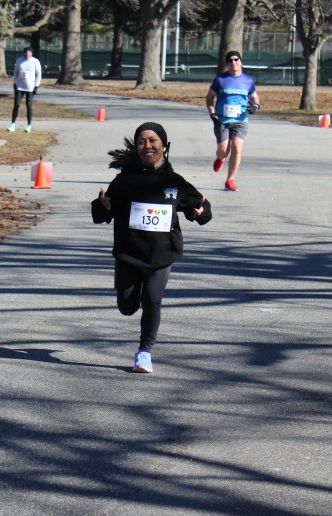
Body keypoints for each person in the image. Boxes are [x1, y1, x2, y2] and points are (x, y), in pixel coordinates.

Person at [90, 122, 213, 374]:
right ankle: (130, 302)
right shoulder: (124, 181)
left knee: (152, 300)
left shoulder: (174, 182)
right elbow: (103, 212)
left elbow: (199, 206)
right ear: (137, 148)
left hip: (161, 255)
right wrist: (102, 206)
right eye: (142, 141)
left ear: (164, 146)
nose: (147, 145)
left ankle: (144, 352)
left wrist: (201, 212)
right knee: (127, 306)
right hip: (129, 253)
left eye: (153, 140)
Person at [206, 50, 261, 191]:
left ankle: (230, 180)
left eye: (236, 59)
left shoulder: (247, 81)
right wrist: (212, 113)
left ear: (241, 61)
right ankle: (221, 158)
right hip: (222, 120)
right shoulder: (220, 80)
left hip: (240, 120)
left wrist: (255, 106)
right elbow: (210, 97)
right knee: (223, 150)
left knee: (237, 147)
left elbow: (255, 98)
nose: (233, 62)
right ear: (227, 63)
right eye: (230, 60)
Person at [9, 46, 42, 133]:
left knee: (29, 105)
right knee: (16, 105)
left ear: (32, 53)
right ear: (24, 53)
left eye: (29, 52)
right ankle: (12, 124)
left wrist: (36, 86)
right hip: (20, 86)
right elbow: (16, 72)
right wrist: (15, 83)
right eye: (26, 52)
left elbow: (39, 74)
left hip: (30, 87)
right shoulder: (19, 60)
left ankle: (29, 125)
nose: (27, 54)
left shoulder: (35, 61)